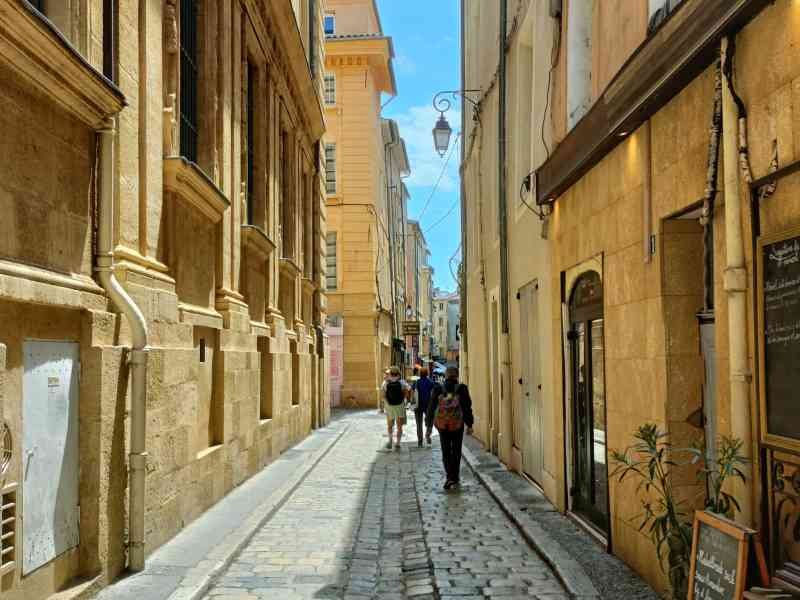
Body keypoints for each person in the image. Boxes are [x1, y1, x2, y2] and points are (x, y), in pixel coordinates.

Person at [430, 366, 474, 489]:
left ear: (445, 376)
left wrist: (428, 426)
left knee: (445, 451)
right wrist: (470, 424)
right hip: (457, 424)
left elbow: (431, 406)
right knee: (456, 450)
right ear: (457, 376)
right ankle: (454, 477)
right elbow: (466, 407)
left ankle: (450, 476)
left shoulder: (438, 388)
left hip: (442, 425)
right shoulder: (462, 388)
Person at [381, 366, 410, 450]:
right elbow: (408, 391)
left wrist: (386, 403)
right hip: (400, 406)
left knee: (390, 425)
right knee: (399, 426)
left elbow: (383, 396)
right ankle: (398, 443)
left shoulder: (385, 383)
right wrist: (404, 399)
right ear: (398, 373)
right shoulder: (402, 382)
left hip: (389, 407)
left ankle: (390, 441)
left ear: (390, 373)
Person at [413, 367, 435, 447]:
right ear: (427, 373)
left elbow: (413, 392)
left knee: (419, 423)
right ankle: (428, 434)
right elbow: (433, 393)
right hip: (428, 405)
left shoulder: (417, 382)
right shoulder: (431, 382)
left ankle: (420, 441)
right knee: (430, 421)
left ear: (420, 374)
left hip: (418, 405)